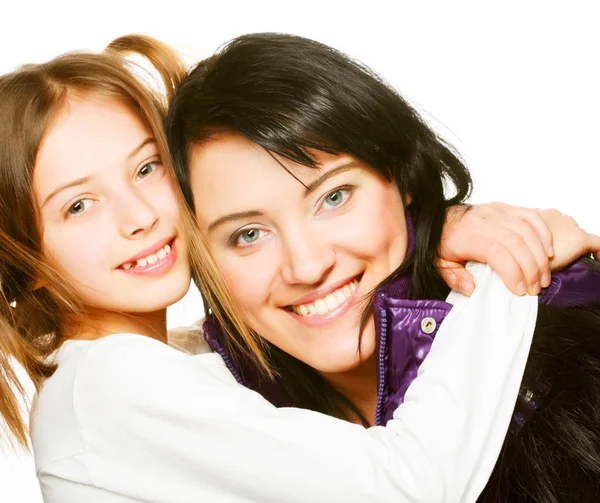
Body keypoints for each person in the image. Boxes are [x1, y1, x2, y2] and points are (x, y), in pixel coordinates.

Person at [0, 35, 594, 502]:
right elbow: (407, 486)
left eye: (146, 168)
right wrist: (511, 269)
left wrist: (445, 228)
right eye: (78, 206)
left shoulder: (173, 371)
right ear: (24, 262)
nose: (137, 217)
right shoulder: (108, 384)